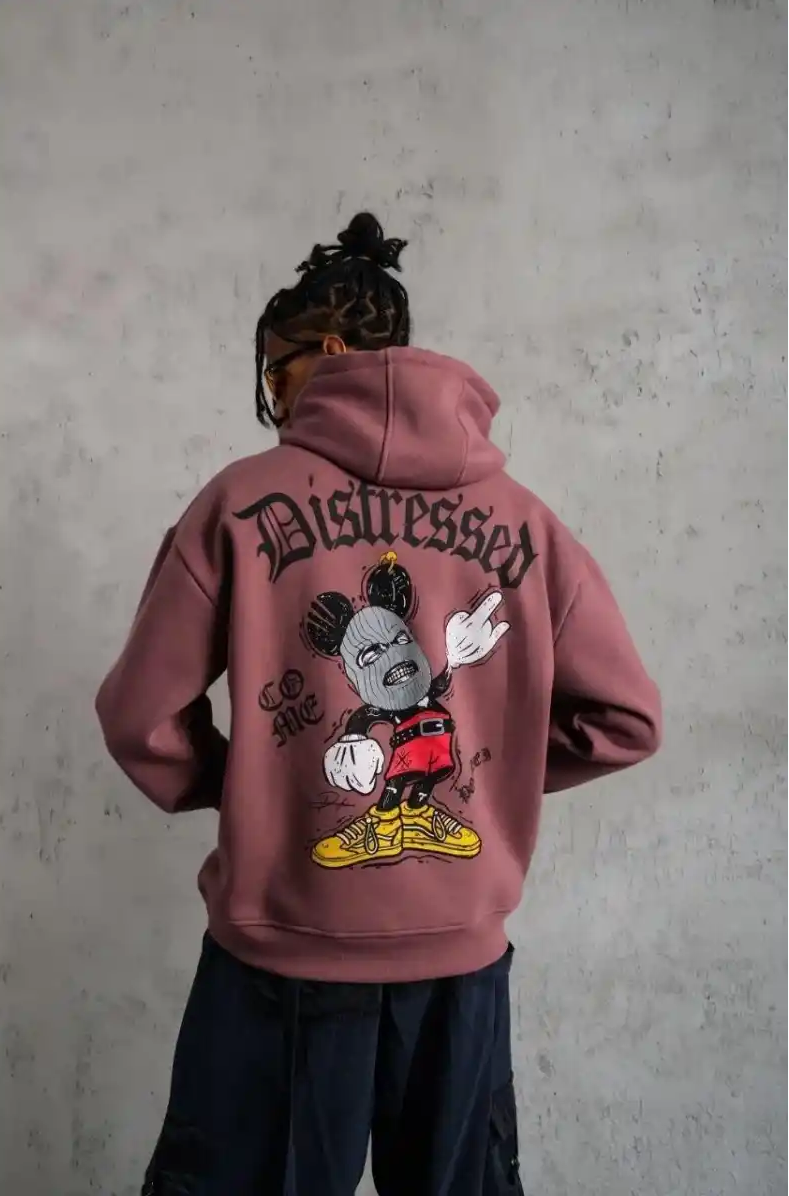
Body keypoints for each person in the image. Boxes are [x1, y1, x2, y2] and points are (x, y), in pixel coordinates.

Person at [96, 212, 662, 1196]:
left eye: (274, 373)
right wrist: (493, 779)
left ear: (322, 355)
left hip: (279, 961)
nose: (271, 399)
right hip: (457, 969)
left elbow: (137, 717)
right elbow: (625, 720)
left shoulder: (237, 502)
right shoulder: (525, 522)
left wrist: (251, 787)